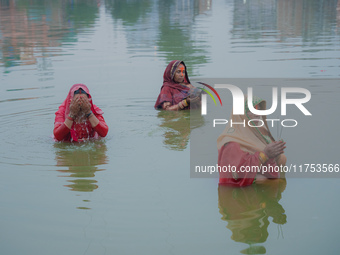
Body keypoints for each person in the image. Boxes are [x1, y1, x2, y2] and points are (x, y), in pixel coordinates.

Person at [217, 96, 286, 187]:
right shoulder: (231, 142)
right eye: (253, 110)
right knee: (261, 179)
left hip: (267, 178)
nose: (258, 114)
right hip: (243, 189)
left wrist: (276, 151)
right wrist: (265, 154)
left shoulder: (260, 131)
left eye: (259, 110)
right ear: (241, 113)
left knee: (282, 158)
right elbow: (238, 172)